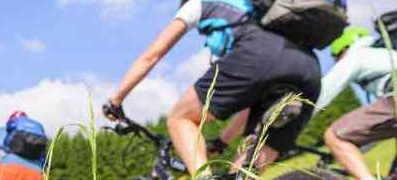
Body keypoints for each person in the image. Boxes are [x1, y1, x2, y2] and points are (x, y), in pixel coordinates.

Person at [102, 0, 324, 177]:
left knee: (180, 118)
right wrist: (223, 140)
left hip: (259, 55)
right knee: (241, 173)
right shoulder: (256, 9)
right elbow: (248, 104)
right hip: (309, 70)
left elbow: (152, 55)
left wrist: (116, 100)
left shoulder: (198, 3)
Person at [317, 26, 397, 180]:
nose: (337, 62)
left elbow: (323, 92)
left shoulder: (357, 55)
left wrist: (296, 115)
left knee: (334, 136)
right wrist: (345, 154)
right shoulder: (382, 55)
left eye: (337, 58)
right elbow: (374, 132)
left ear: (344, 49)